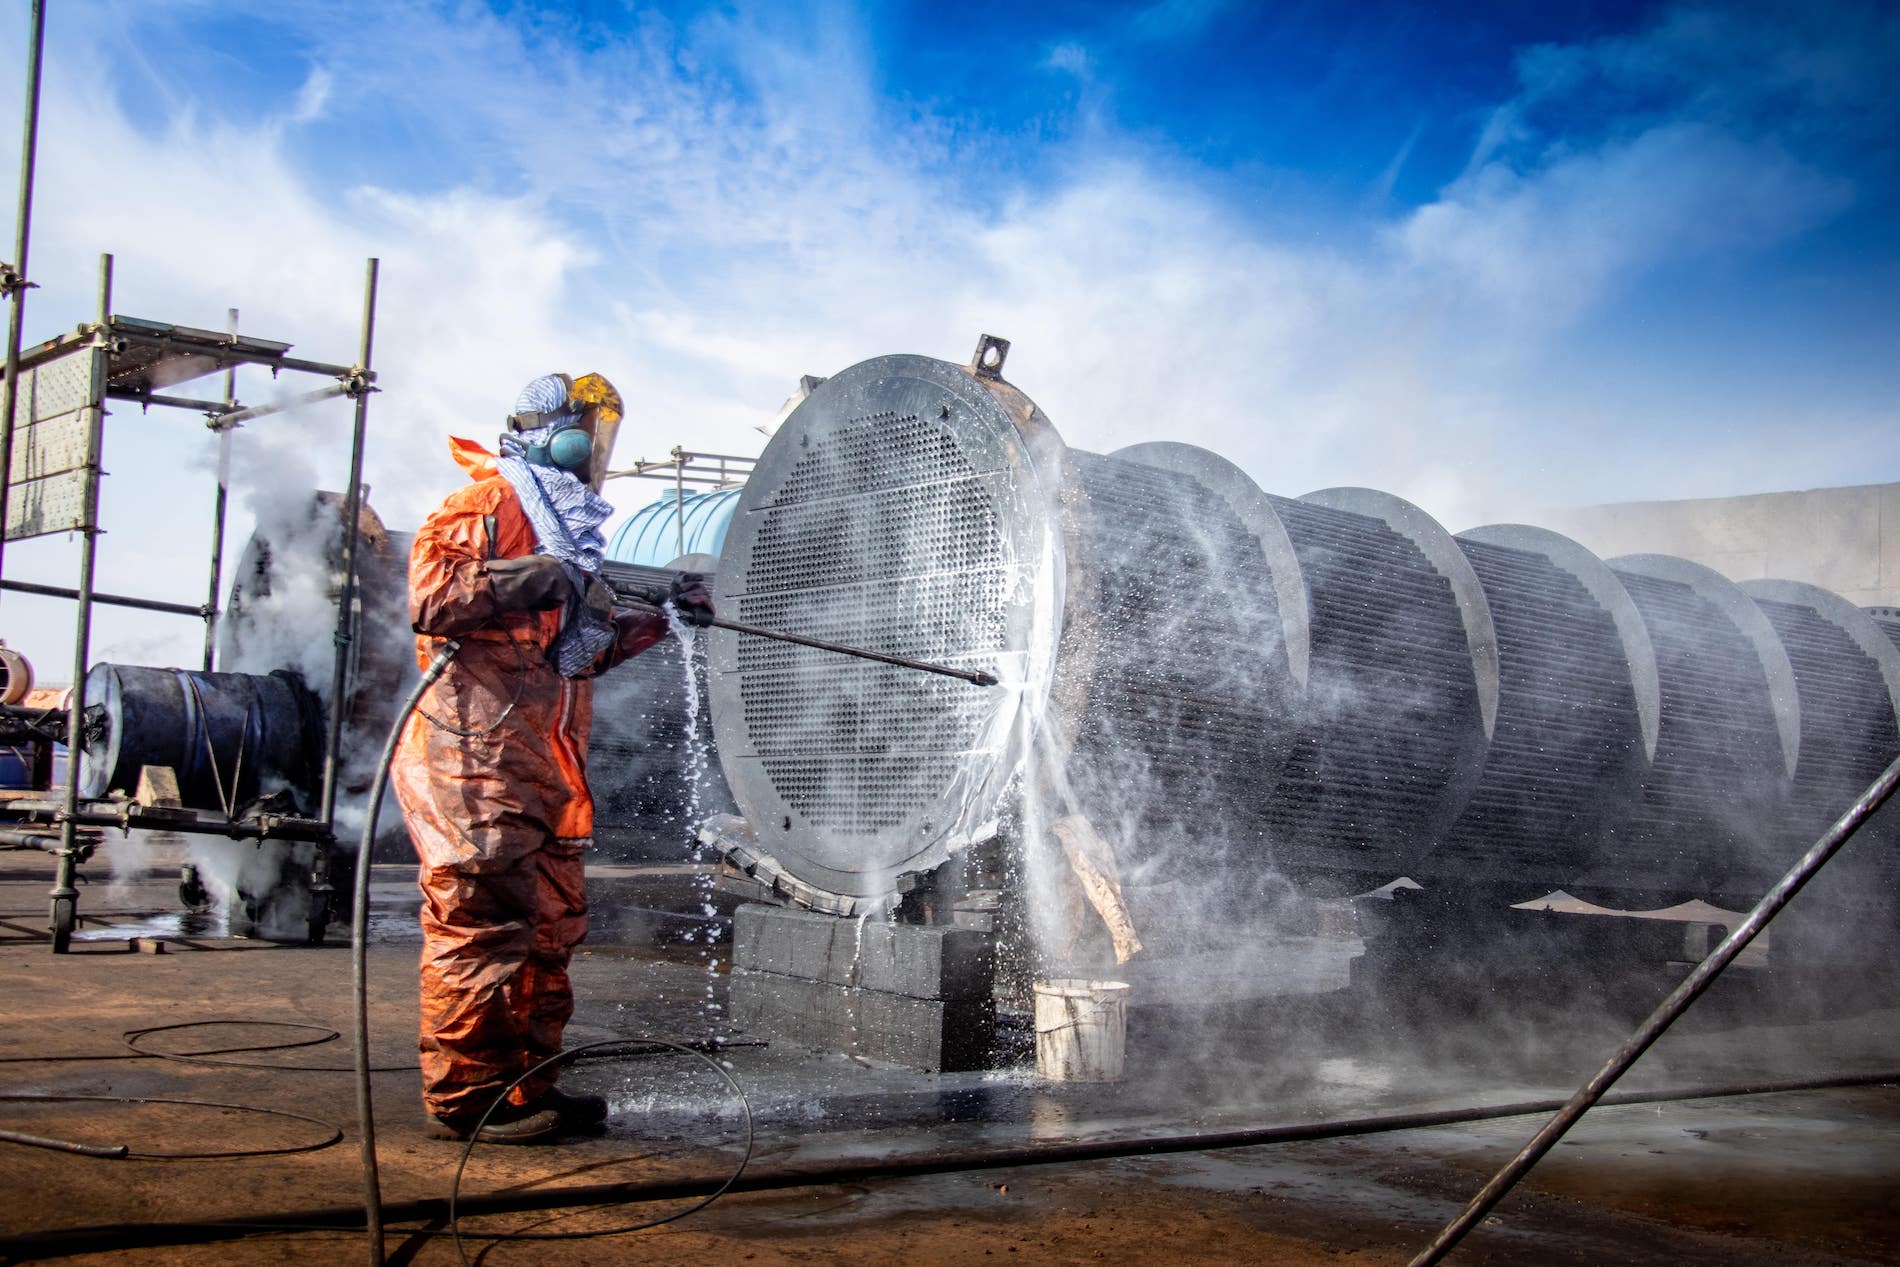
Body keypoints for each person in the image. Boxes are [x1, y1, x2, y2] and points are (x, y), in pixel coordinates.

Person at [390, 372, 714, 1145]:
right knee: (480, 928)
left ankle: (528, 1083)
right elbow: (432, 597)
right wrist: (545, 574)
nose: (599, 453)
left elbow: (577, 656)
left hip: (539, 768)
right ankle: (469, 1098)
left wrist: (661, 620)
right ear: (558, 433)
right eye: (592, 434)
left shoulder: (565, 529)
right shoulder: (489, 503)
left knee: (546, 931)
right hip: (474, 762)